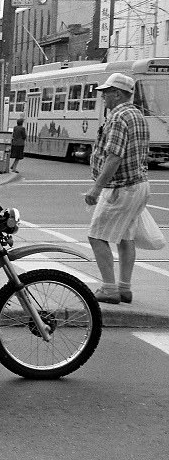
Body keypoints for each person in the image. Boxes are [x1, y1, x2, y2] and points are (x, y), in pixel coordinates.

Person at [84, 73, 150, 304]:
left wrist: (95, 189)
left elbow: (114, 157)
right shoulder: (138, 115)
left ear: (118, 93)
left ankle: (109, 288)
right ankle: (124, 287)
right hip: (139, 184)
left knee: (96, 236)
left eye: (106, 92)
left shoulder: (118, 117)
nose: (103, 97)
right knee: (125, 237)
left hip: (120, 188)